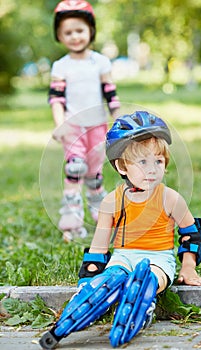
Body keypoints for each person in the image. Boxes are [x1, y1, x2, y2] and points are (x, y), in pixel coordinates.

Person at [39, 111, 201, 349]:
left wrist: (188, 267)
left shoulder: (170, 198)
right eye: (142, 162)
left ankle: (142, 298)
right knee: (111, 277)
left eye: (158, 161)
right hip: (122, 257)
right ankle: (95, 300)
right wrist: (89, 278)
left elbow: (191, 235)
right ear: (121, 166)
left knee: (151, 276)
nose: (152, 170)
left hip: (158, 259)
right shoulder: (112, 201)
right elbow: (99, 246)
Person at [49, 0, 120, 241]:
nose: (75, 36)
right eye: (68, 32)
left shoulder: (100, 62)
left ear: (91, 31)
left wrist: (117, 115)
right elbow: (56, 98)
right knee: (74, 169)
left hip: (97, 125)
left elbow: (109, 90)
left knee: (94, 173)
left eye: (79, 30)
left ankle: (102, 216)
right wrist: (59, 124)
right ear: (59, 35)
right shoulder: (61, 65)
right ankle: (71, 221)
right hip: (73, 126)